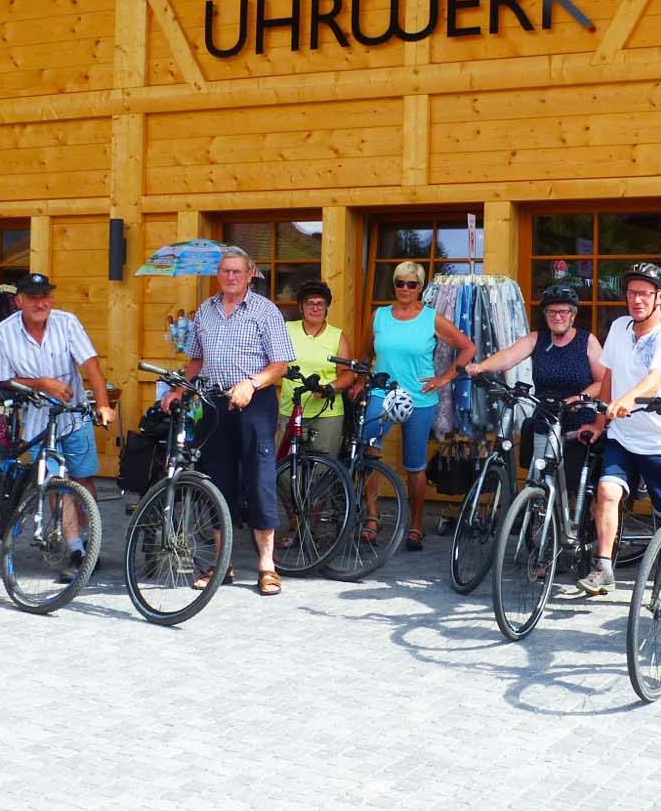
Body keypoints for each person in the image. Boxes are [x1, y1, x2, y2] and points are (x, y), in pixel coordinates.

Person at [167, 246, 295, 594]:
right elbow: (196, 360)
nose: (231, 276)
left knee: (259, 479)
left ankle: (266, 566)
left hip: (255, 402)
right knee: (217, 481)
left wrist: (251, 383)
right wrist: (179, 389)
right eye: (225, 271)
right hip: (213, 402)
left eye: (237, 271)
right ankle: (222, 564)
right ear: (217, 274)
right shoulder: (205, 311)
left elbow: (280, 365)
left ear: (250, 274)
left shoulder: (265, 311)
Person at [0, 272, 114, 583]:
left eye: (45, 296)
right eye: (33, 298)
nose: (40, 303)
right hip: (37, 419)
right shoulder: (4, 332)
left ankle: (90, 539)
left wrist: (102, 404)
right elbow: (3, 379)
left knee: (83, 478)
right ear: (19, 301)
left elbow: (91, 366)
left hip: (74, 415)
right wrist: (41, 384)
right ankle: (76, 550)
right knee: (55, 481)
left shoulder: (67, 323)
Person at [575, 262, 661, 597]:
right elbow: (609, 375)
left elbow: (656, 376)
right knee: (607, 492)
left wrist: (628, 398)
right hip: (623, 436)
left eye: (644, 294)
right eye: (631, 292)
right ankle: (603, 567)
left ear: (660, 297)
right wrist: (600, 421)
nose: (636, 300)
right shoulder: (619, 327)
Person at [364, 260, 476, 551]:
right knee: (369, 454)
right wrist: (360, 380)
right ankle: (372, 518)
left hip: (419, 398)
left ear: (420, 288)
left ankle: (415, 525)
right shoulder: (379, 316)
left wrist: (445, 377)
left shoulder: (431, 318)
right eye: (400, 283)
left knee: (415, 465)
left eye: (411, 284)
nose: (405, 288)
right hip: (382, 393)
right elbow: (367, 352)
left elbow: (468, 347)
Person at [465, 283, 605, 494]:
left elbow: (603, 382)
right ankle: (539, 513)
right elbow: (508, 356)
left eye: (563, 311)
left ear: (573, 315)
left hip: (578, 423)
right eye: (551, 312)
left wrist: (581, 397)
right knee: (540, 481)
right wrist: (481, 367)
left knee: (572, 489)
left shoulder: (587, 341)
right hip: (545, 420)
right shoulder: (537, 339)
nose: (557, 316)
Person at [279, 280, 355, 457]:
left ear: (326, 307)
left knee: (323, 468)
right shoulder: (287, 330)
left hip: (327, 414)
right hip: (291, 410)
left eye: (320, 303)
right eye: (310, 303)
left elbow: (347, 374)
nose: (315, 308)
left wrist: (329, 387)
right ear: (301, 307)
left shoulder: (337, 336)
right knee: (287, 467)